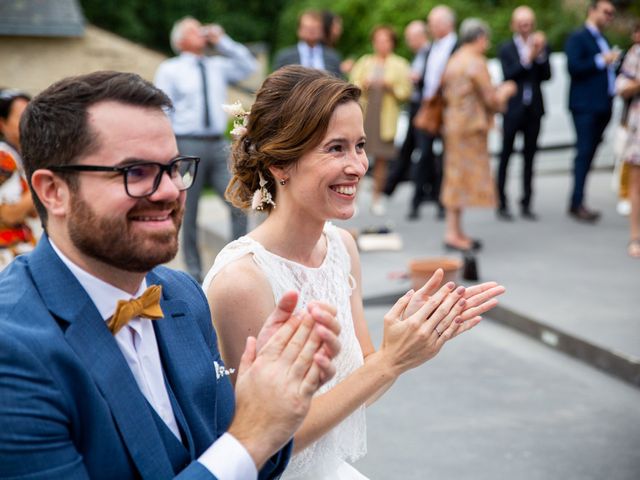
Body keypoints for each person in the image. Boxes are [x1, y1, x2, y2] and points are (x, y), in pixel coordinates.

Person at [0, 70, 343, 479]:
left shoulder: (181, 295)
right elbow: (236, 450)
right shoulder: (12, 348)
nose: (168, 191)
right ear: (54, 191)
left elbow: (223, 453)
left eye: (173, 168)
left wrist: (266, 401)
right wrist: (252, 434)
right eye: (136, 172)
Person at [203, 65, 506, 479]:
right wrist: (390, 362)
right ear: (280, 164)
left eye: (359, 145)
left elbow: (362, 386)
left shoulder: (341, 249)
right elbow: (264, 443)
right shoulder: (242, 281)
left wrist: (407, 346)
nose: (359, 166)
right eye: (336, 148)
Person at [155, 16, 257, 282]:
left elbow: (248, 65)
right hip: (187, 142)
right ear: (180, 41)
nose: (200, 32)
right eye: (193, 29)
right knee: (188, 209)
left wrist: (222, 40)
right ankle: (196, 274)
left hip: (217, 143)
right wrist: (169, 148)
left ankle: (237, 260)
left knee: (238, 199)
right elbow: (163, 109)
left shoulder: (217, 66)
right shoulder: (171, 69)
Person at [441, 19, 516, 251]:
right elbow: (490, 98)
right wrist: (506, 91)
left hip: (453, 125)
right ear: (480, 38)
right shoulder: (474, 62)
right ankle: (453, 232)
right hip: (470, 129)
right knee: (459, 179)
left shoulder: (454, 60)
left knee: (454, 177)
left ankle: (455, 230)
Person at [565, 0, 620, 223]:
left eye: (612, 14)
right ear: (593, 11)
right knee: (584, 152)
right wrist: (601, 60)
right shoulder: (578, 37)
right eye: (606, 12)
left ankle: (578, 200)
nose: (609, 16)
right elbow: (574, 67)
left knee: (590, 154)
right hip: (585, 107)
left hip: (603, 105)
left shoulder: (604, 39)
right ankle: (577, 202)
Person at [496, 6, 551, 221]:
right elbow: (509, 74)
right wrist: (529, 57)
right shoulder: (506, 48)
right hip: (513, 109)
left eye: (528, 23)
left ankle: (526, 201)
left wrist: (539, 55)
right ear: (514, 25)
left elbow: (547, 75)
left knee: (530, 157)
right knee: (505, 156)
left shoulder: (541, 47)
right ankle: (501, 201)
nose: (525, 27)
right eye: (521, 23)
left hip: (533, 109)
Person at [350, 25, 411, 215]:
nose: (381, 44)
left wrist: (390, 86)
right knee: (356, 157)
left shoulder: (400, 64)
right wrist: (364, 84)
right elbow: (352, 85)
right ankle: (354, 198)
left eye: (385, 40)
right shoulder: (366, 61)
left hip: (385, 117)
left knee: (382, 160)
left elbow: (405, 92)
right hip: (365, 116)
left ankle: (377, 198)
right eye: (378, 40)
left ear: (392, 43)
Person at [408, 5, 458, 221]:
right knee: (424, 154)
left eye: (434, 23)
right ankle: (417, 199)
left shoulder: (458, 47)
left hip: (448, 108)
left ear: (447, 24)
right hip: (429, 108)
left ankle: (442, 201)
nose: (431, 28)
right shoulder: (431, 49)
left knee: (447, 157)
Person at [383, 20, 430, 199]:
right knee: (408, 149)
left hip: (424, 108)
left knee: (421, 150)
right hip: (415, 106)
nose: (409, 42)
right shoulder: (418, 56)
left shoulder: (429, 54)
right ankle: (389, 187)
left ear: (420, 36)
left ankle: (418, 192)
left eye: (410, 38)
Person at [0, 88, 37, 269]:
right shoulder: (3, 158)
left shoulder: (16, 156)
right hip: (7, 259)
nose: (29, 123)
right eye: (22, 117)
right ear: (2, 123)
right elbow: (8, 214)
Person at [616, 22, 640, 257]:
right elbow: (621, 86)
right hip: (638, 127)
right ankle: (635, 237)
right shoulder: (635, 54)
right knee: (636, 184)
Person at [274, 10, 342, 78]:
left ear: (321, 31)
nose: (311, 32)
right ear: (299, 30)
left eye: (315, 28)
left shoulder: (333, 57)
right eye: (307, 28)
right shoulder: (285, 58)